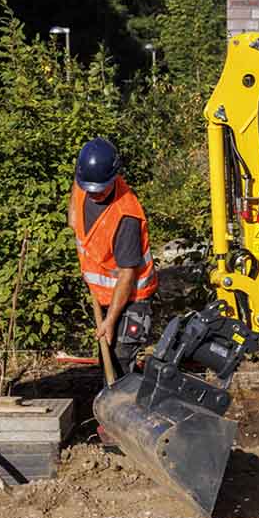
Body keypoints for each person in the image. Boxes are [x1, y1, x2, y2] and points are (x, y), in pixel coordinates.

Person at [69, 138, 158, 374]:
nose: (93, 194)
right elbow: (75, 215)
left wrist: (109, 321)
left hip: (132, 296)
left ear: (113, 177)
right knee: (106, 355)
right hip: (103, 294)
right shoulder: (84, 183)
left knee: (118, 359)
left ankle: (128, 395)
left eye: (100, 189)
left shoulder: (126, 217)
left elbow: (127, 276)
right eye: (89, 188)